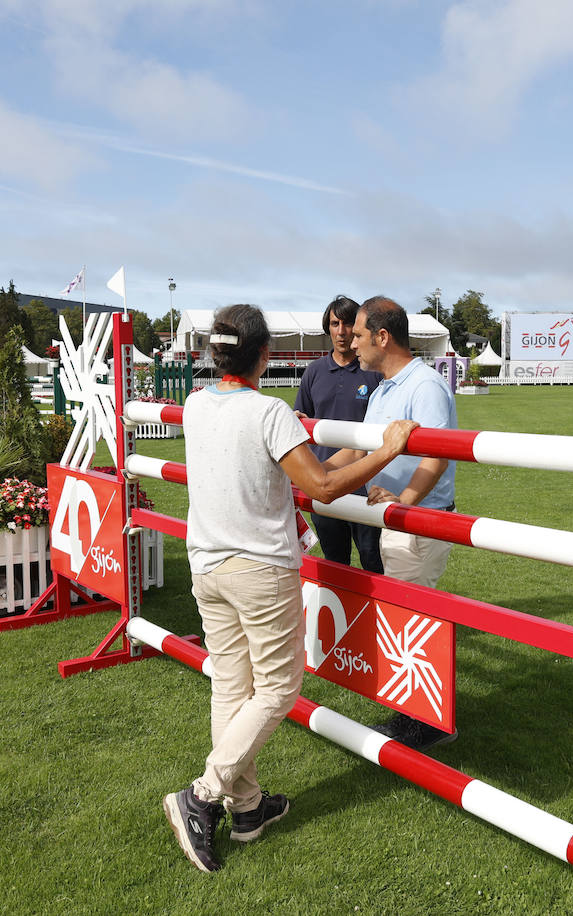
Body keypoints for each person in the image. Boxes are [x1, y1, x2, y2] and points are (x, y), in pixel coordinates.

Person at [163, 303, 417, 874]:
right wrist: (387, 450)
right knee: (278, 688)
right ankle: (203, 795)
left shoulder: (197, 405)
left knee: (232, 686)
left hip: (207, 565)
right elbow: (323, 485)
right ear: (265, 354)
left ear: (214, 353)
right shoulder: (269, 412)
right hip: (259, 569)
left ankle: (248, 808)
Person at [328, 296, 459, 751]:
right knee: (402, 618)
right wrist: (315, 474)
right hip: (395, 519)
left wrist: (403, 503)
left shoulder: (423, 386)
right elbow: (361, 450)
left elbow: (438, 453)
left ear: (383, 337)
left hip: (418, 522)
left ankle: (426, 723)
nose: (352, 344)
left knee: (411, 620)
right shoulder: (383, 388)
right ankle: (415, 717)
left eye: (360, 335)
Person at [293, 295, 384, 573]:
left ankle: (375, 617)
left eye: (347, 324)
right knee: (335, 562)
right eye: (335, 323)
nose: (341, 331)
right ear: (328, 328)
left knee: (372, 558)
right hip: (325, 482)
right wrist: (296, 420)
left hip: (365, 484)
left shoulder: (373, 372)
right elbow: (301, 420)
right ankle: (341, 617)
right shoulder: (314, 372)